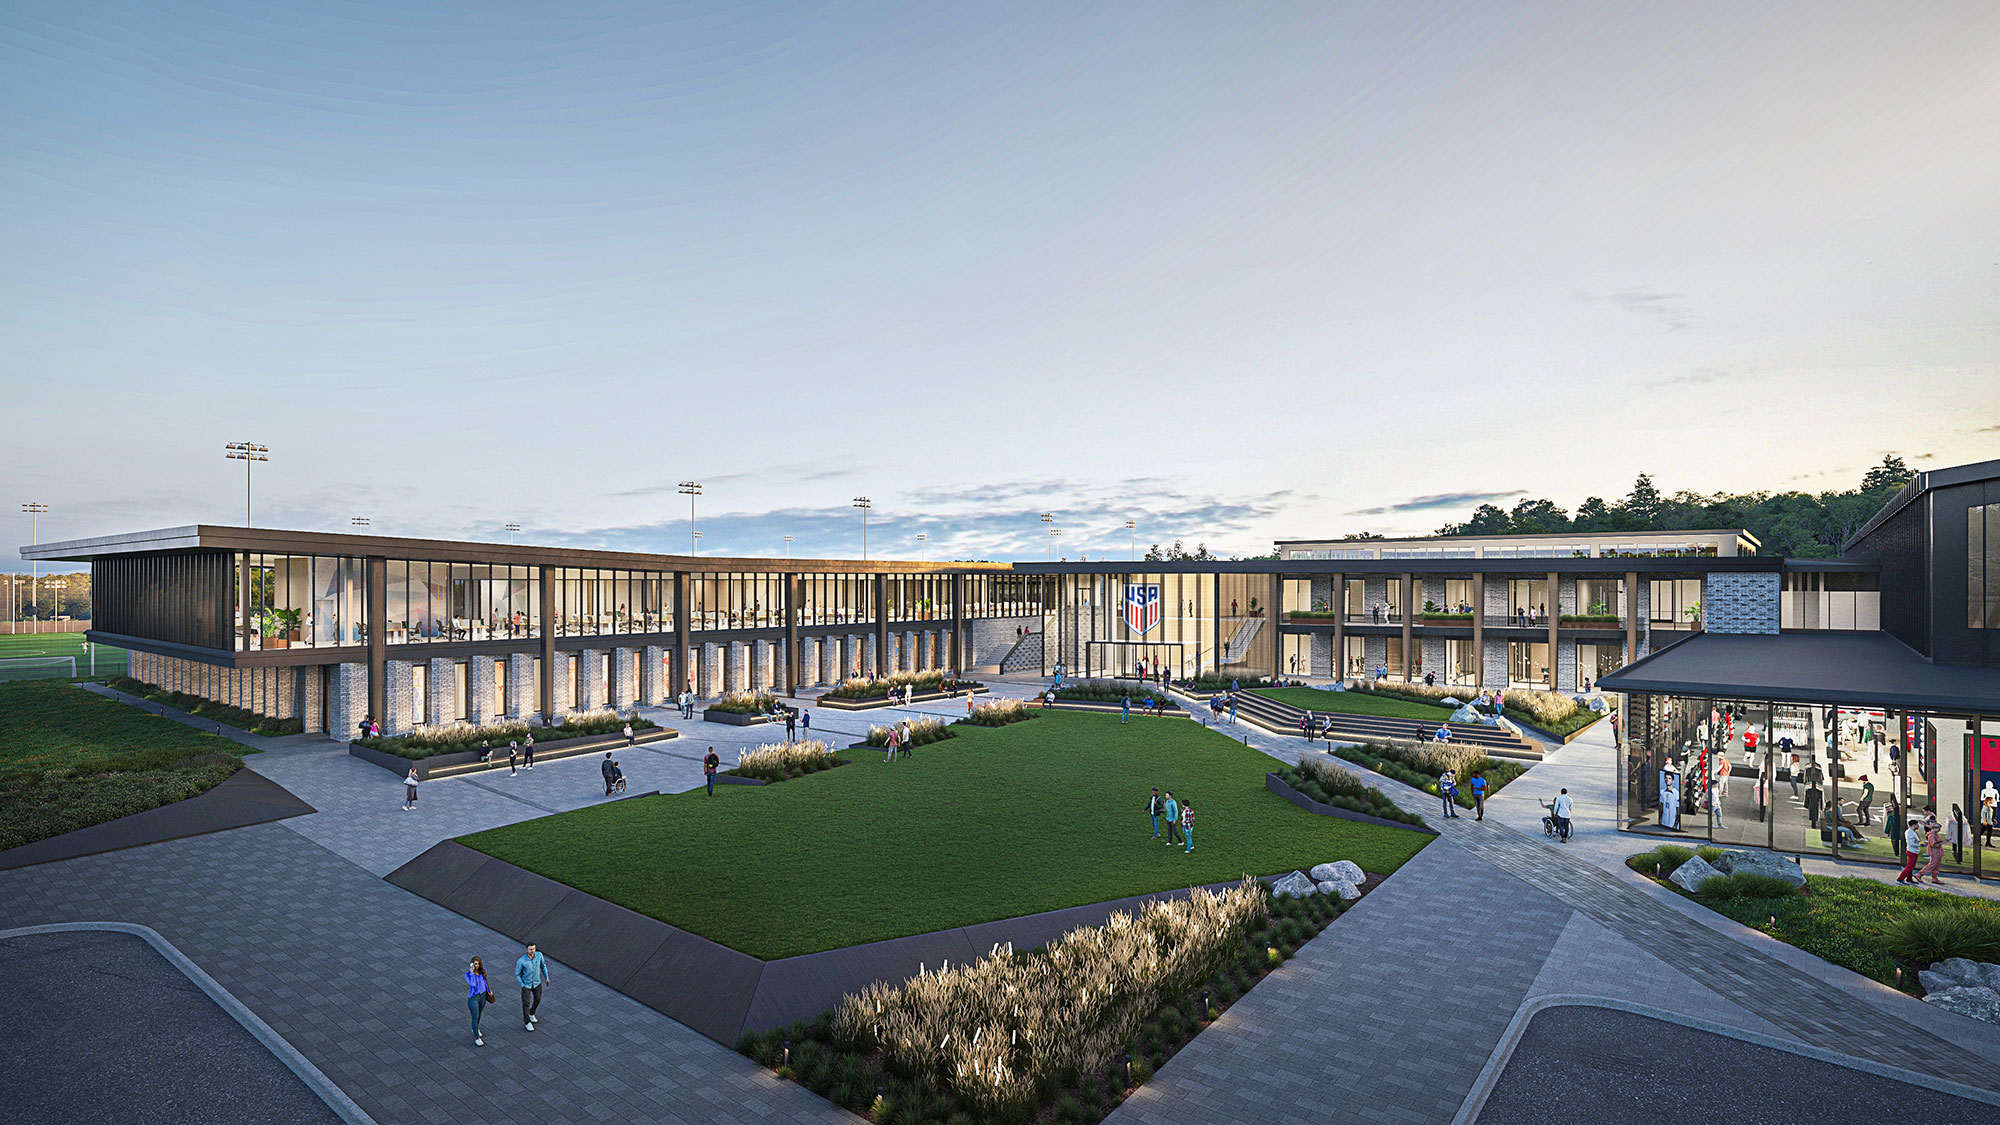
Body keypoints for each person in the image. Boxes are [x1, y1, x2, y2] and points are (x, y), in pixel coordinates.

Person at [516, 942, 551, 1031]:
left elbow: (543, 966)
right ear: (526, 949)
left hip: (536, 983)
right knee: (526, 1004)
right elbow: (517, 974)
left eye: (534, 949)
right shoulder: (521, 961)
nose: (532, 951)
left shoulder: (539, 955)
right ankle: (527, 1022)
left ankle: (532, 1013)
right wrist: (522, 985)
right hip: (526, 985)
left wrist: (547, 977)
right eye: (531, 949)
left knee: (538, 999)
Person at [465, 956, 492, 1046]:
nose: (477, 965)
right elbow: (472, 984)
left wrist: (489, 991)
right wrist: (472, 973)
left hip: (483, 996)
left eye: (478, 963)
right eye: (475, 964)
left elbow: (485, 981)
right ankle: (477, 1037)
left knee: (479, 1014)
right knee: (475, 1017)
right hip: (473, 998)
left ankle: (475, 1028)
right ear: (472, 964)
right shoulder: (468, 975)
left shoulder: (482, 971)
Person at [1921, 814, 1946, 884]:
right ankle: (1919, 874)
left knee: (1936, 866)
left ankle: (1934, 878)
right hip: (1935, 852)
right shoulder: (1932, 835)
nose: (1939, 830)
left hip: (1937, 852)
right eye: (1939, 828)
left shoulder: (1934, 834)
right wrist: (1943, 842)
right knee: (1931, 865)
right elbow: (1933, 845)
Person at [1897, 818, 1923, 884]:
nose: (1918, 826)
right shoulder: (1910, 833)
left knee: (1911, 866)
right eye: (1917, 825)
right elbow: (1911, 843)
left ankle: (1909, 879)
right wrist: (1921, 845)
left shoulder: (1912, 831)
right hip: (1912, 851)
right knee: (1909, 866)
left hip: (1913, 851)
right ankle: (1900, 879)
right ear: (1914, 825)